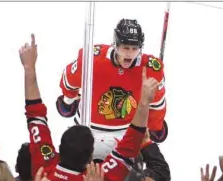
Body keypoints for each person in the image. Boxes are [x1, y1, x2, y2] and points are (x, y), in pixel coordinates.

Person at [19, 33, 159, 180]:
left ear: (60, 150)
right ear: (91, 157)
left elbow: (35, 116)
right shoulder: (102, 175)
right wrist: (144, 101)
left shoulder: (44, 167)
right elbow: (130, 145)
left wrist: (29, 69)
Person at [56, 18, 167, 161]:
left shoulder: (151, 69)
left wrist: (154, 126)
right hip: (86, 130)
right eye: (125, 48)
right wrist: (68, 99)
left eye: (134, 49)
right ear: (115, 45)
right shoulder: (92, 58)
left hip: (126, 133)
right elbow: (69, 80)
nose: (129, 54)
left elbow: (157, 104)